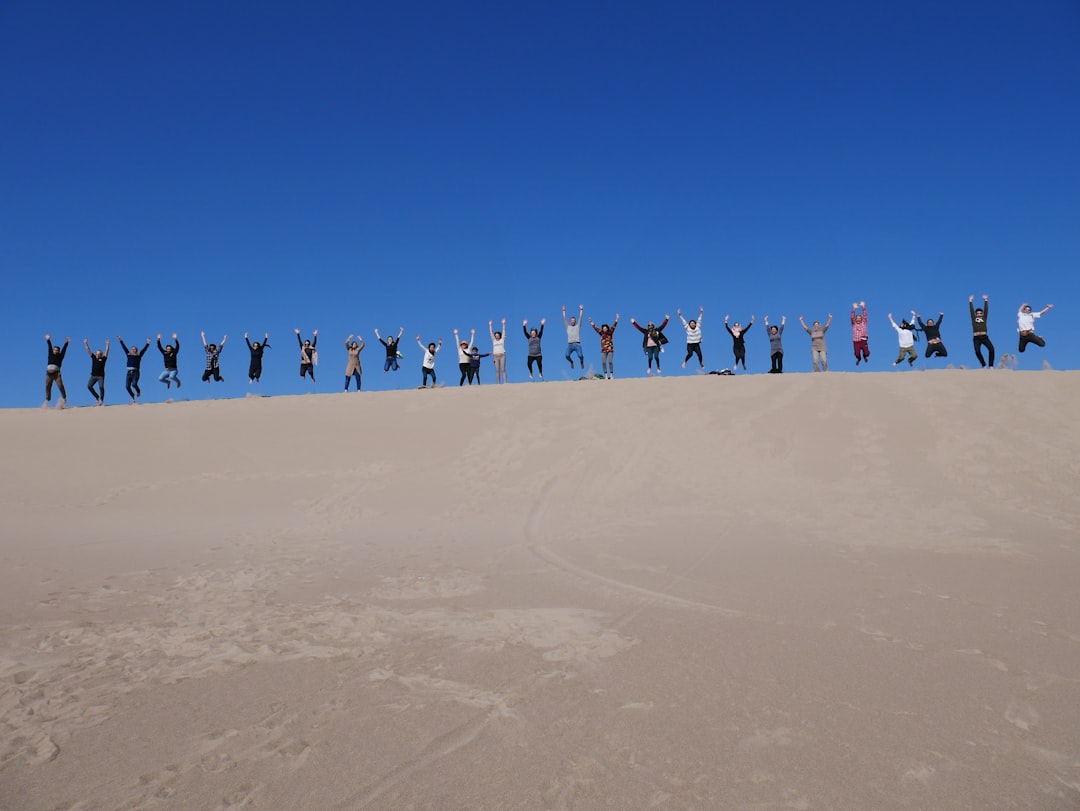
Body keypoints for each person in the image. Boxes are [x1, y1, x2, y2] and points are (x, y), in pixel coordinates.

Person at [118, 336, 151, 402]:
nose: (133, 350)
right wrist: (120, 340)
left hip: (136, 372)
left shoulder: (139, 355)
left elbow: (144, 350)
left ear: (136, 350)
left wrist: (147, 343)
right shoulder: (128, 354)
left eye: (135, 349)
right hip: (128, 373)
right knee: (127, 386)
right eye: (132, 349)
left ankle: (138, 391)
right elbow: (124, 347)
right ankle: (133, 396)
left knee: (134, 384)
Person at [588, 313, 620, 379]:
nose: (604, 329)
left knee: (610, 361)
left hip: (610, 349)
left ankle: (611, 374)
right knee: (603, 362)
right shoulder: (601, 333)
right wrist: (591, 322)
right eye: (603, 328)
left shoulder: (610, 332)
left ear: (607, 328)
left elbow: (614, 326)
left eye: (605, 328)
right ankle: (605, 374)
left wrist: (616, 319)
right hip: (603, 350)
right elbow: (595, 328)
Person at [43, 335, 70, 407]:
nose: (55, 351)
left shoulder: (60, 357)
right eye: (54, 349)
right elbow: (49, 346)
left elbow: (64, 351)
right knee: (47, 386)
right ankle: (47, 400)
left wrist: (66, 343)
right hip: (49, 374)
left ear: (58, 351)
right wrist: (48, 340)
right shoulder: (50, 354)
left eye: (57, 350)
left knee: (60, 385)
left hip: (56, 374)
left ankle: (64, 398)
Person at [968, 295, 994, 368]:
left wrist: (986, 300)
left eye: (980, 313)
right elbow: (971, 311)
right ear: (976, 314)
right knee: (977, 352)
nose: (979, 314)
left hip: (984, 337)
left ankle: (991, 365)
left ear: (982, 314)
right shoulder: (974, 318)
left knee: (991, 349)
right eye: (978, 313)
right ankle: (983, 365)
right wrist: (970, 301)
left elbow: (986, 310)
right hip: (976, 338)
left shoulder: (984, 318)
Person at [84, 338, 110, 405]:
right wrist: (86, 343)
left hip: (100, 376)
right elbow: (88, 350)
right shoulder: (93, 357)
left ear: (101, 354)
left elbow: (106, 352)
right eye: (97, 354)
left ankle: (101, 400)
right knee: (89, 386)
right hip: (93, 375)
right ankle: (97, 397)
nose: (97, 355)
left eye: (99, 354)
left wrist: (107, 344)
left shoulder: (103, 359)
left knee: (101, 387)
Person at [563, 305, 585, 369]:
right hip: (570, 344)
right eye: (572, 320)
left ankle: (581, 362)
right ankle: (571, 362)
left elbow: (580, 318)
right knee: (567, 355)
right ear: (570, 321)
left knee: (580, 355)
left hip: (577, 344)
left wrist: (581, 310)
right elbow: (564, 318)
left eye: (574, 320)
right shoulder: (567, 327)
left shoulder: (578, 326)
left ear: (575, 321)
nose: (573, 321)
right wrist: (564, 311)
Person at [489, 319, 508, 383]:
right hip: (495, 356)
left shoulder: (502, 340)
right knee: (497, 370)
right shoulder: (493, 340)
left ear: (500, 335)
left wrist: (503, 324)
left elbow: (504, 331)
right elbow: (491, 332)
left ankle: (505, 382)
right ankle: (498, 383)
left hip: (502, 355)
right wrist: (490, 325)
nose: (496, 336)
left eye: (498, 335)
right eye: (495, 335)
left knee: (503, 369)